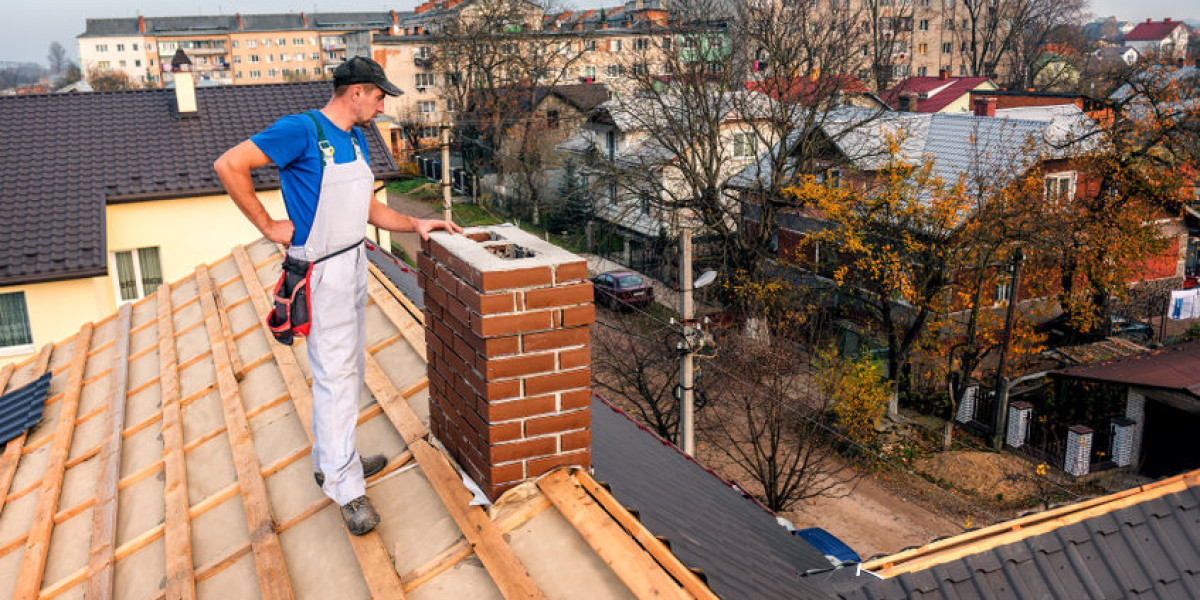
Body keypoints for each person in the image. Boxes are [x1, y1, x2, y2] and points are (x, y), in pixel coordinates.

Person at [214, 56, 461, 535]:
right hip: (321, 274)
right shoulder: (301, 130)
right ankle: (346, 490)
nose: (382, 103)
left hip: (351, 263)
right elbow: (230, 164)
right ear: (357, 92)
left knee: (349, 372)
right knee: (335, 379)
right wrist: (267, 225)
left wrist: (414, 223)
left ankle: (335, 460)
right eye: (379, 95)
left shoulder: (353, 138)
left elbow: (364, 206)